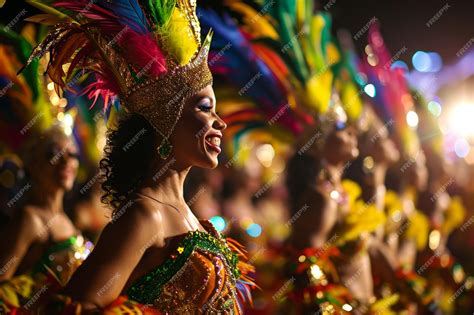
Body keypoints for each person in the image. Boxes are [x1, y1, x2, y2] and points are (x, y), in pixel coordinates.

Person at [24, 0, 255, 313]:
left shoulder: (184, 212)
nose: (220, 121)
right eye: (204, 107)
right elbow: (72, 307)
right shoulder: (145, 216)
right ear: (165, 121)